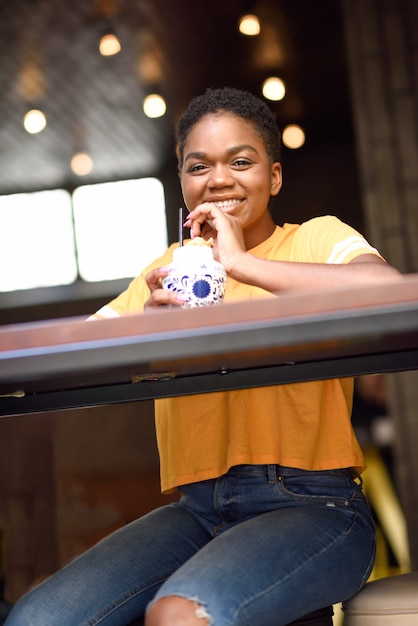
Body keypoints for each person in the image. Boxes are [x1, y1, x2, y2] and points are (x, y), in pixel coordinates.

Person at [5, 86, 401, 626]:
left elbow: (382, 288)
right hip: (198, 512)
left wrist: (240, 263)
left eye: (241, 161)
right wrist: (146, 330)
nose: (218, 179)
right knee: (37, 620)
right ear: (183, 182)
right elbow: (67, 357)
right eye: (199, 167)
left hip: (316, 506)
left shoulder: (314, 240)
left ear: (275, 176)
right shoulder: (167, 272)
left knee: (181, 616)